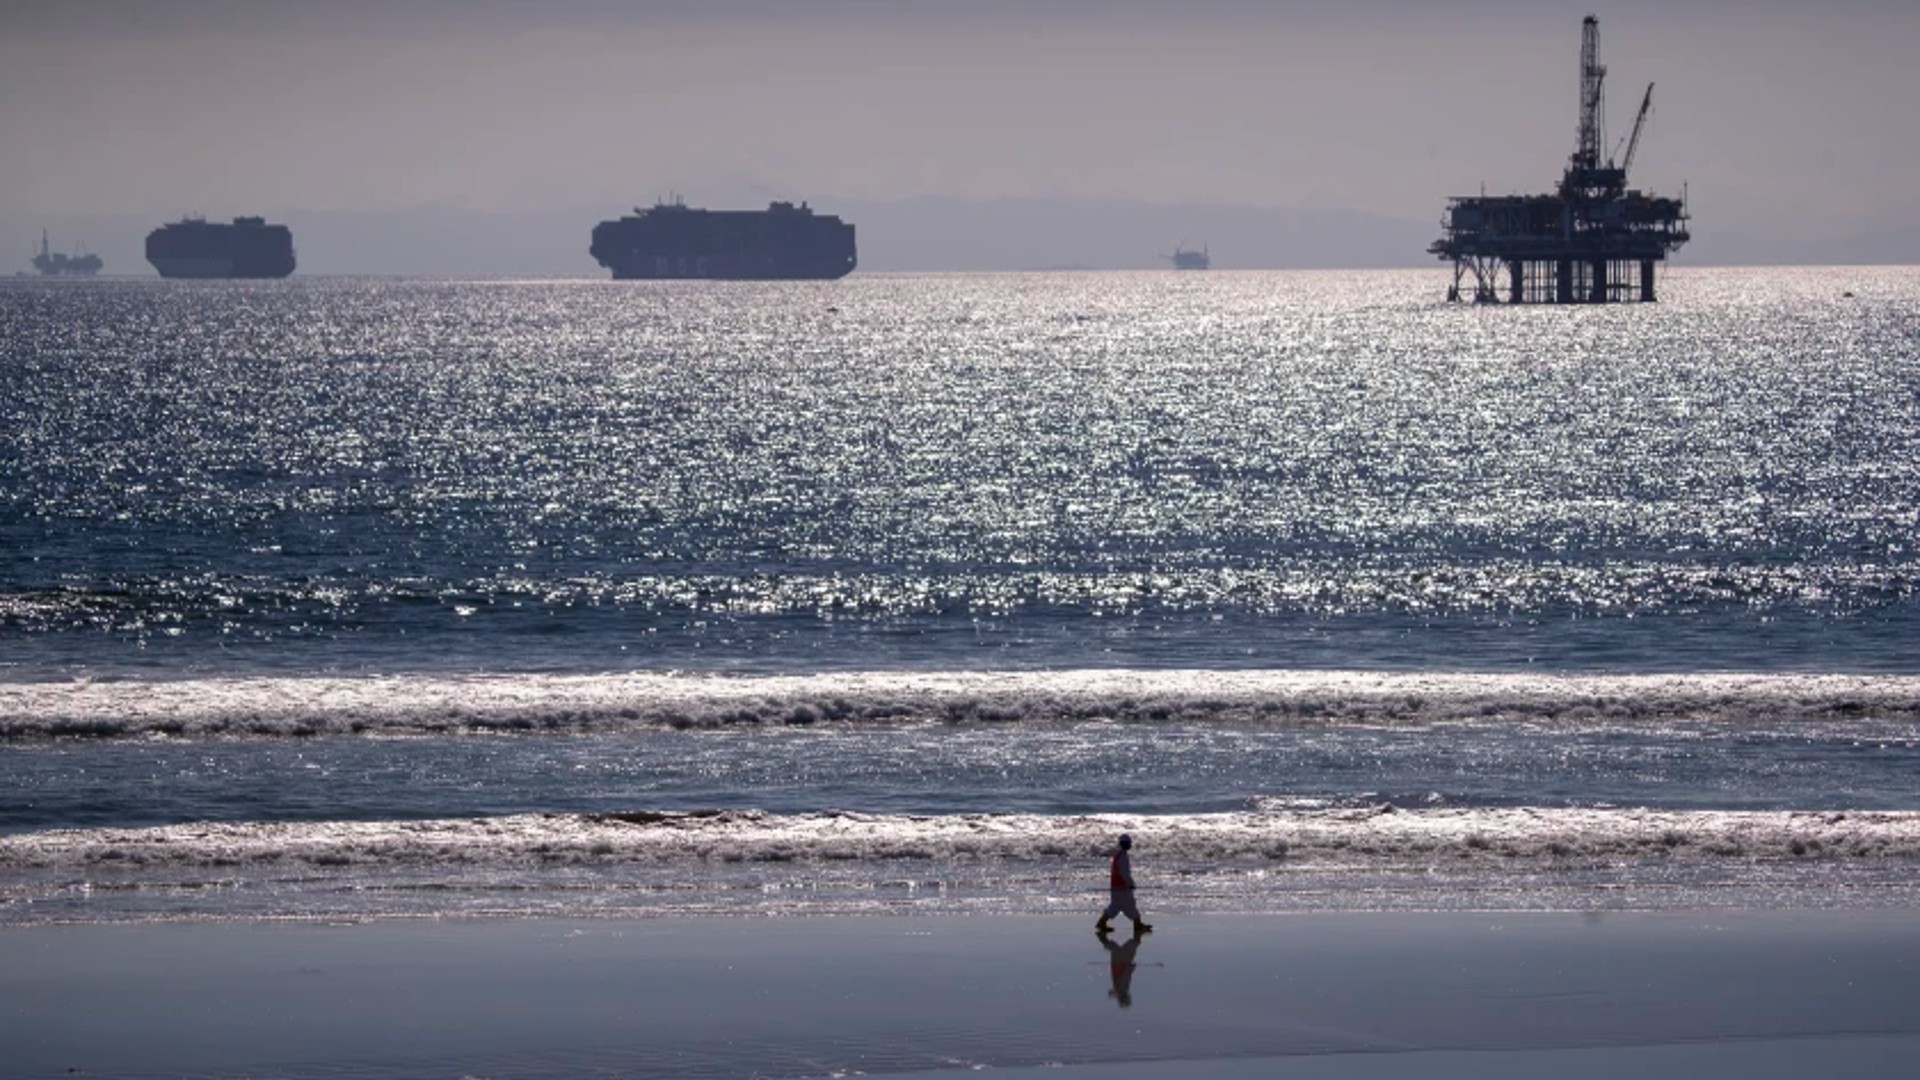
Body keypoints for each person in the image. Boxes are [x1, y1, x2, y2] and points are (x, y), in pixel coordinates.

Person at [1095, 833, 1152, 936]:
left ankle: (1103, 923)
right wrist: (1130, 883)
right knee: (1125, 905)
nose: (1130, 845)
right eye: (1129, 843)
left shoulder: (1118, 855)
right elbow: (1124, 872)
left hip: (1116, 886)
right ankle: (1136, 924)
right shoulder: (1123, 856)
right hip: (1122, 887)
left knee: (1120, 905)